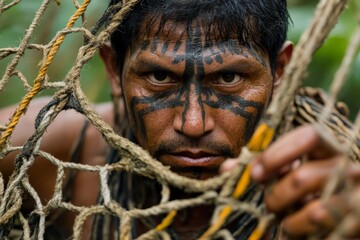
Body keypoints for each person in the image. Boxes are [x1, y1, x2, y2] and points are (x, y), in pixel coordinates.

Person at [0, 0, 359, 239]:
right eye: (159, 78)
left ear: (279, 72)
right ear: (113, 68)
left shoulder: (326, 181)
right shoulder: (50, 153)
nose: (192, 124)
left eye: (229, 79)